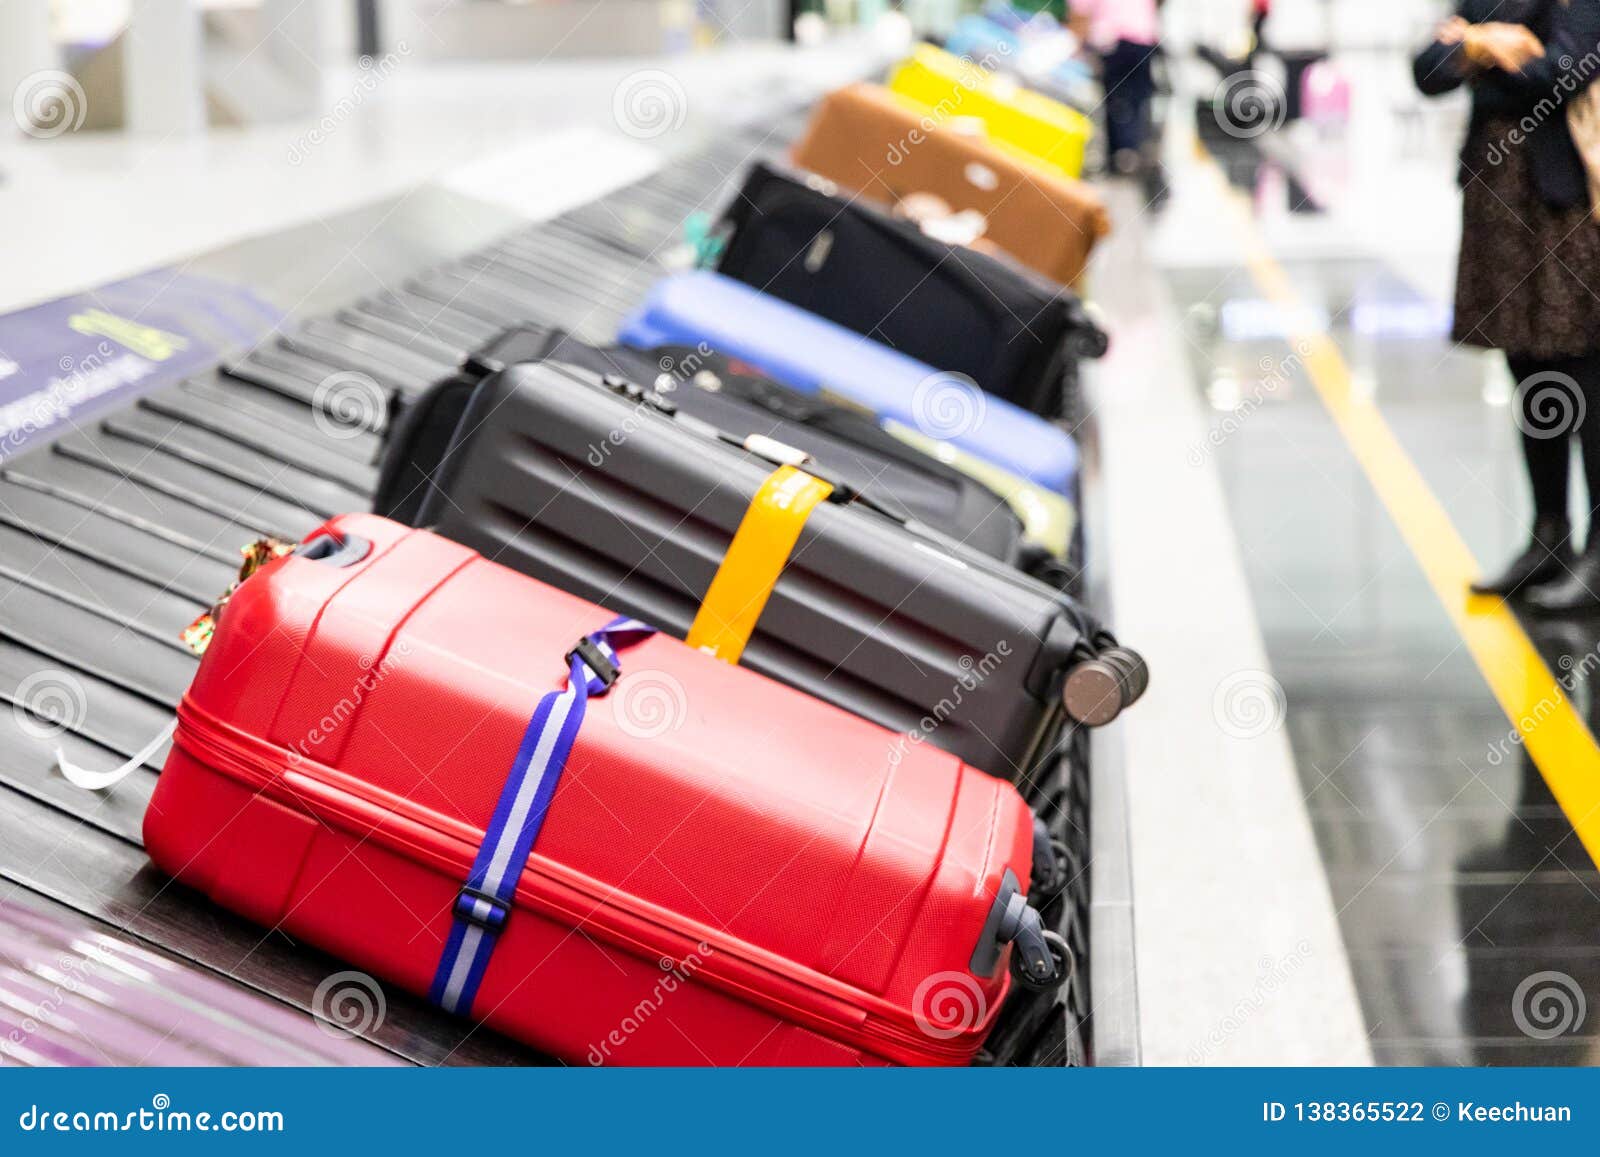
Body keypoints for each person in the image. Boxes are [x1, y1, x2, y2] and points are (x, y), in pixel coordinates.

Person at [1415, 0, 1600, 612]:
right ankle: (1548, 536)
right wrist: (1491, 42)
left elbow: (1566, 72)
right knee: (1526, 367)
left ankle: (1598, 551)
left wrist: (1478, 49)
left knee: (1583, 370)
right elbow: (1428, 71)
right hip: (1498, 204)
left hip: (1566, 206)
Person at [1073, 0, 1163, 174]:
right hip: (1144, 39)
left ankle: (1120, 151)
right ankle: (1130, 148)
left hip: (1115, 39)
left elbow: (1080, 12)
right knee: (1137, 96)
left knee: (1116, 97)